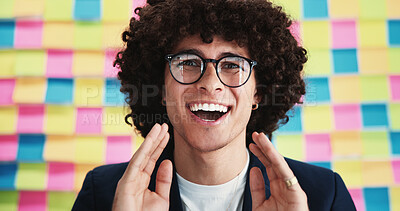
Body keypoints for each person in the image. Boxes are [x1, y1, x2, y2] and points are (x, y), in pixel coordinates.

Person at [73, 0, 356, 210]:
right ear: (160, 88)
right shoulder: (105, 193)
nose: (210, 83)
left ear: (258, 92)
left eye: (233, 64)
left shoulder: (322, 195)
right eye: (187, 63)